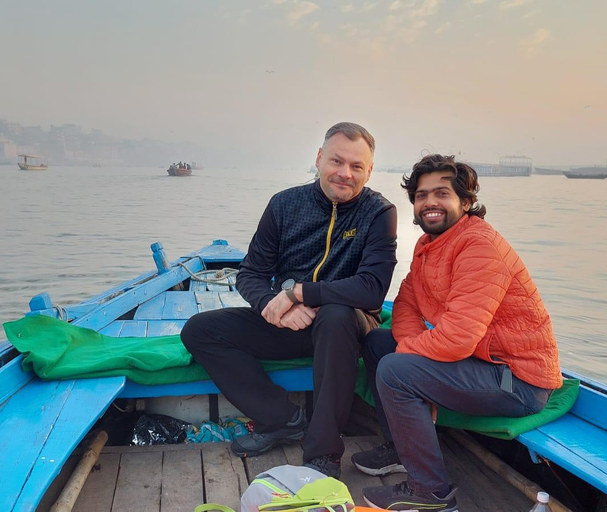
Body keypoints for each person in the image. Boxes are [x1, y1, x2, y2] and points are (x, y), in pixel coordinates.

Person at [181, 122, 397, 478]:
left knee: (337, 314)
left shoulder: (379, 213)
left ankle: (323, 453)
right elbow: (249, 273)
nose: (345, 173)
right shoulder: (285, 204)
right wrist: (273, 306)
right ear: (319, 158)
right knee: (200, 330)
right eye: (336, 161)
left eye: (357, 167)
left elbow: (371, 288)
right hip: (288, 323)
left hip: (347, 328)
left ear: (369, 171)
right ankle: (282, 419)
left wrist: (298, 293)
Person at [353, 154, 562, 511]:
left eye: (441, 194)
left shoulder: (478, 246)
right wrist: (409, 351)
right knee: (377, 343)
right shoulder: (428, 246)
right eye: (421, 195)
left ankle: (429, 493)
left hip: (517, 380)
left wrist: (408, 361)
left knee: (395, 369)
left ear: (465, 202)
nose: (429, 202)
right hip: (479, 360)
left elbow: (457, 338)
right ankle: (402, 449)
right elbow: (406, 306)